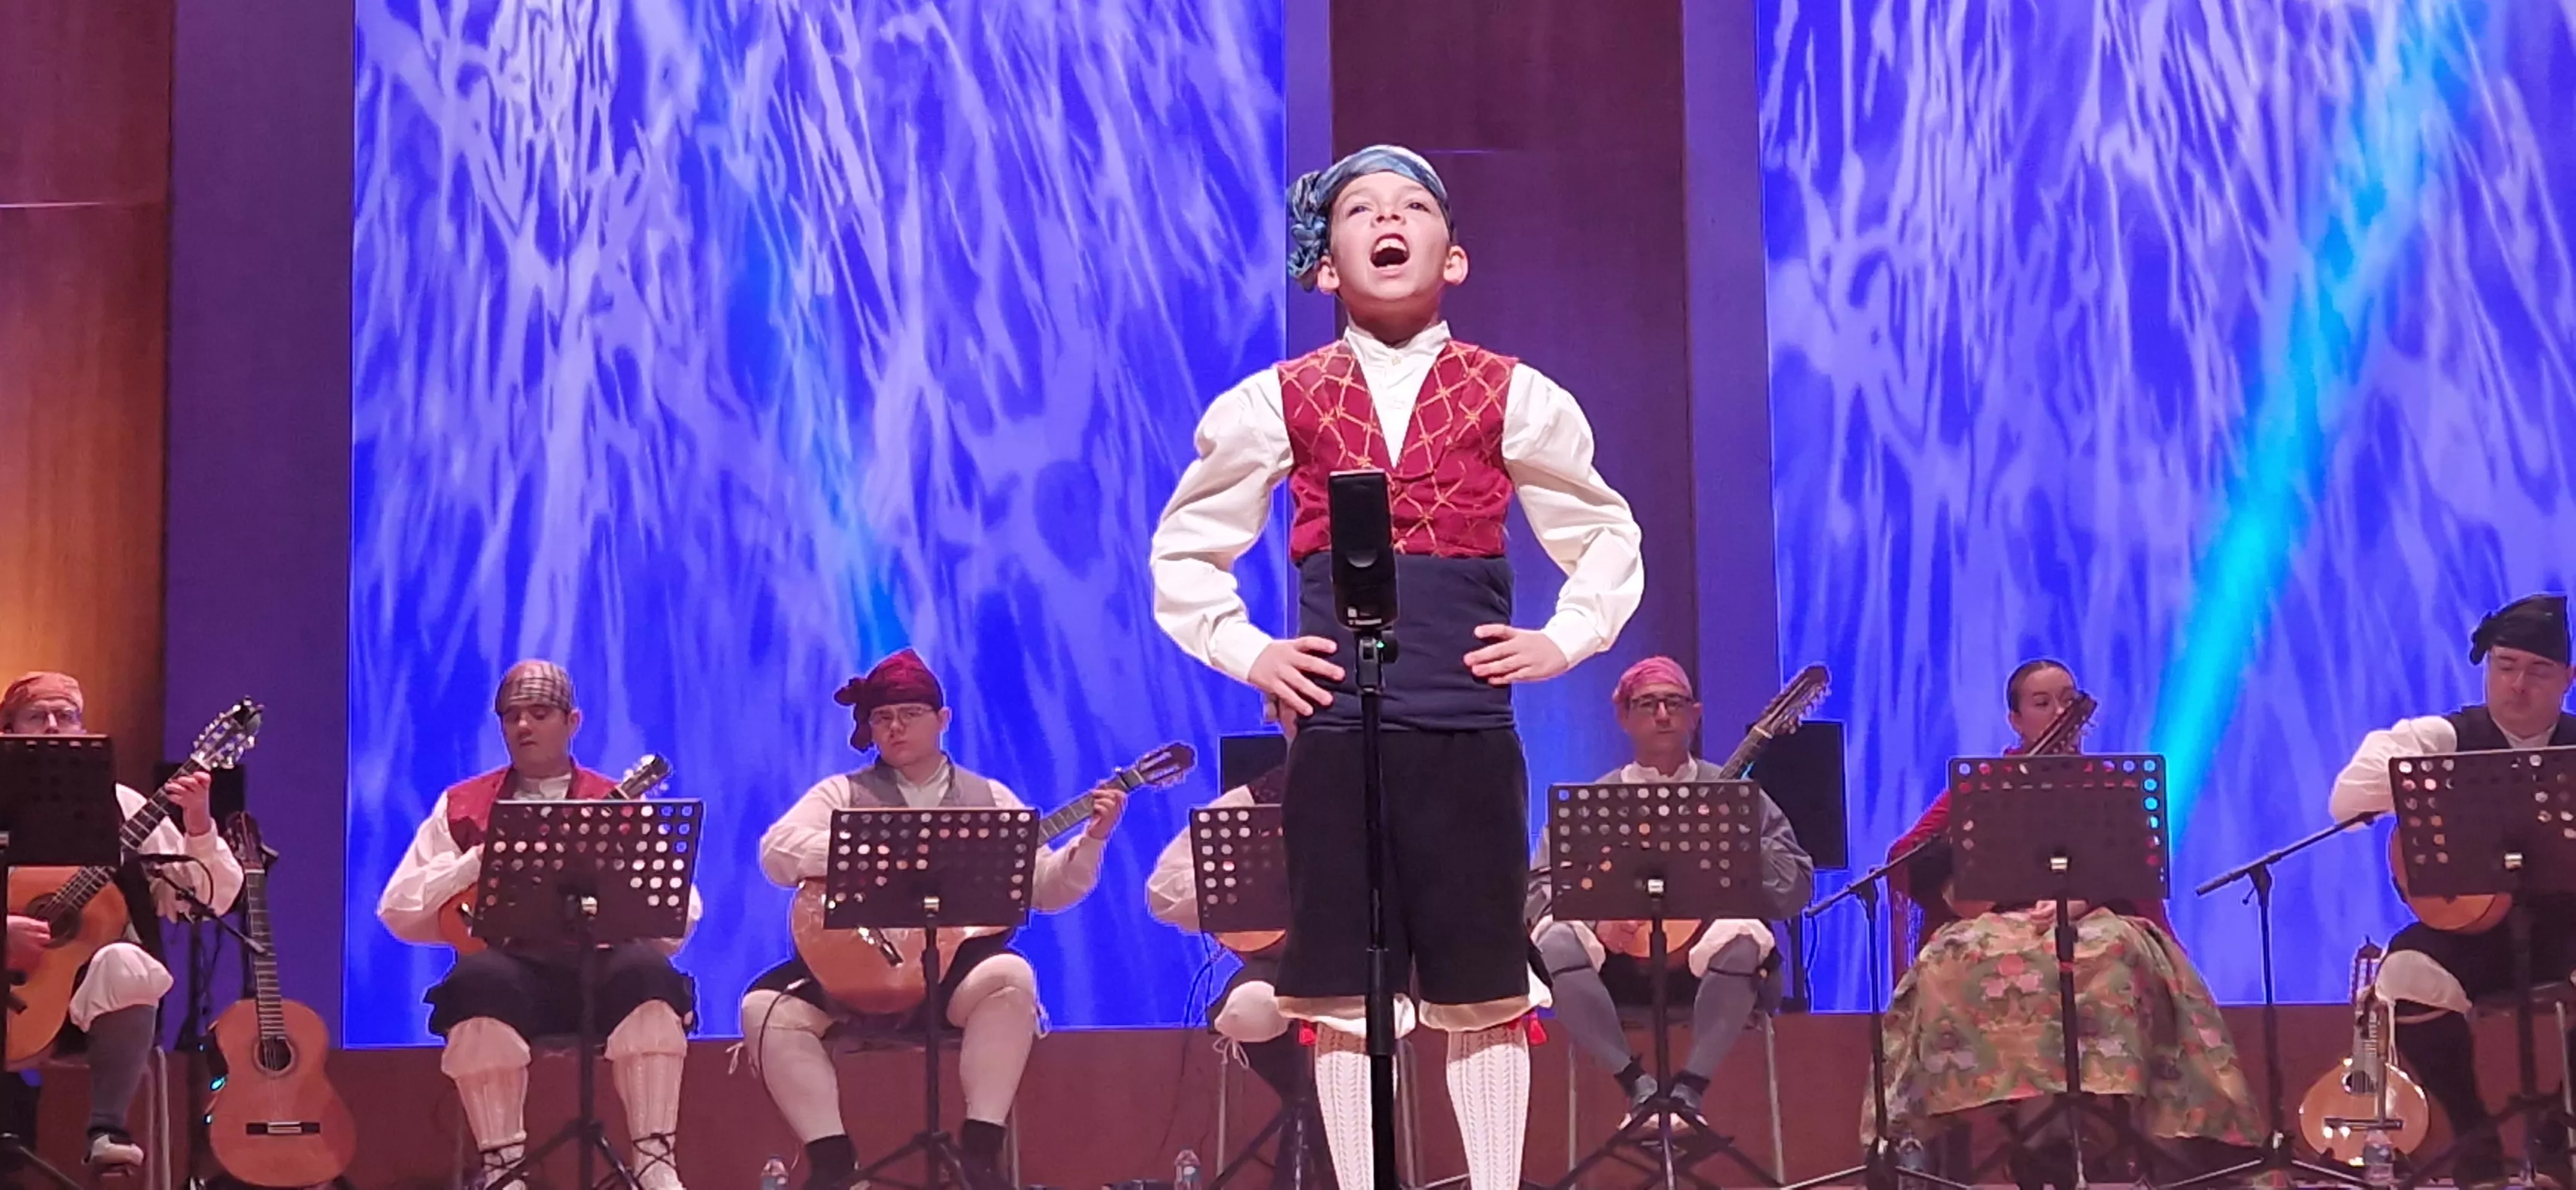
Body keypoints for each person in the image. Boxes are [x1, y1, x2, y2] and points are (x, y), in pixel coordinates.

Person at [1149, 144, 1645, 1190]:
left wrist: (1567, 634)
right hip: (1338, 732)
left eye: (1412, 206)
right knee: (1341, 987)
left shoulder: (1514, 394)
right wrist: (1251, 650)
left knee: (1484, 979)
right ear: (1326, 264)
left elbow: (1604, 530)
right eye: (1360, 209)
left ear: (1451, 256)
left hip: (1465, 722)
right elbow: (1188, 548)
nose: (1387, 219)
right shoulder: (1277, 400)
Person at [739, 648, 1126, 1190]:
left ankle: (978, 1150)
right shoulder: (841, 794)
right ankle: (833, 1161)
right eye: (882, 718)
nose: (895, 728)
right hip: (854, 973)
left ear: (943, 721)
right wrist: (874, 851)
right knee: (766, 1009)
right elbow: (776, 852)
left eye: (910, 714)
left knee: (1011, 979)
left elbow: (1047, 888)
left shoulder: (989, 798)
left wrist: (1093, 840)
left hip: (950, 975)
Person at [1876, 659, 2259, 1187]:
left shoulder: (2107, 786)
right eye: (2042, 703)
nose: (2059, 712)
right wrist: (1969, 891)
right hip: (2002, 923)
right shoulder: (1986, 785)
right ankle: (2034, 1138)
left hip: (2091, 918)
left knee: (2107, 953)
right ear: (2015, 720)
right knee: (1961, 958)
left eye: (2068, 700)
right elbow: (1907, 856)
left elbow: (2135, 866)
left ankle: (2085, 1137)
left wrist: (2075, 903)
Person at [376, 661, 699, 1190]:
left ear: (573, 722)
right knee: (474, 983)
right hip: (514, 971)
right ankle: (504, 1168)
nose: (523, 727)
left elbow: (677, 922)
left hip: (601, 964)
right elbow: (397, 910)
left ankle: (655, 1164)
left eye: (540, 713)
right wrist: (473, 863)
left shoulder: (617, 801)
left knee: (651, 975)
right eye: (512, 717)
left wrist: (624, 878)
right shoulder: (463, 805)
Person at [2327, 594, 2576, 1189]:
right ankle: (2474, 1134)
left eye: (2538, 671)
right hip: (2473, 929)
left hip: (2569, 922)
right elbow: (2346, 800)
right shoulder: (2440, 736)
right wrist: (2422, 787)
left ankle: (2558, 1124)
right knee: (2406, 973)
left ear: (2568, 679)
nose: (2518, 684)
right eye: (2505, 665)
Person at [1528, 657, 1813, 1120]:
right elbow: (1540, 886)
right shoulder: (1595, 802)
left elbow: (1794, 887)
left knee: (1743, 940)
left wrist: (1737, 839)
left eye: (1674, 703)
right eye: (1647, 704)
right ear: (1623, 717)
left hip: (1709, 970)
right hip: (1616, 971)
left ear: (1695, 715)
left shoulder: (1742, 798)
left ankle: (1688, 1091)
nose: (1662, 714)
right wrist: (1600, 920)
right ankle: (1637, 1087)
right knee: (1556, 941)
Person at [1, 671, 237, 1169]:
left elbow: (206, 901)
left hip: (87, 1014)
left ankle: (107, 1130)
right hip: (16, 999)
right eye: (36, 717)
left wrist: (198, 824)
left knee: (131, 962)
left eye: (65, 716)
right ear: (8, 730)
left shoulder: (124, 808)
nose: (52, 727)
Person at [1146, 695, 1332, 1190]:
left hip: (1372, 966)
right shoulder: (1251, 801)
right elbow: (1163, 892)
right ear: (1281, 718)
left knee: (1360, 1029)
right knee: (1249, 1010)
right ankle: (1327, 1150)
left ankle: (1322, 1154)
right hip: (1279, 966)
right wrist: (1234, 885)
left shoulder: (1393, 790)